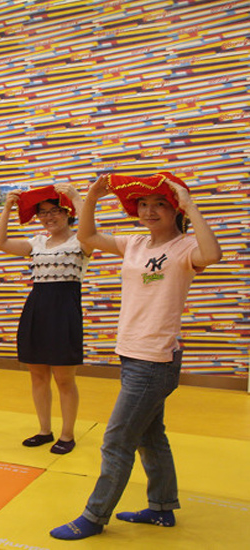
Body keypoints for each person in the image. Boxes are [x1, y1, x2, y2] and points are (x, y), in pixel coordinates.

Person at [50, 172, 222, 540]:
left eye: (159, 204)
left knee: (117, 440)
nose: (149, 210)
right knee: (150, 436)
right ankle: (161, 507)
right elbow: (87, 237)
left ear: (175, 209)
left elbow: (212, 254)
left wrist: (190, 204)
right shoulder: (135, 243)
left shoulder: (185, 247)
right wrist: (90, 198)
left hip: (155, 360)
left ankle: (94, 516)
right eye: (143, 204)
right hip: (131, 354)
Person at [0, 183, 92, 454]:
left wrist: (76, 197)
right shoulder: (36, 242)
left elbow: (90, 232)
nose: (49, 217)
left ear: (68, 213)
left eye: (55, 211)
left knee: (64, 379)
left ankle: (67, 434)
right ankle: (44, 430)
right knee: (37, 376)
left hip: (65, 312)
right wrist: (8, 207)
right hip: (36, 309)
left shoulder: (81, 241)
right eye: (43, 212)